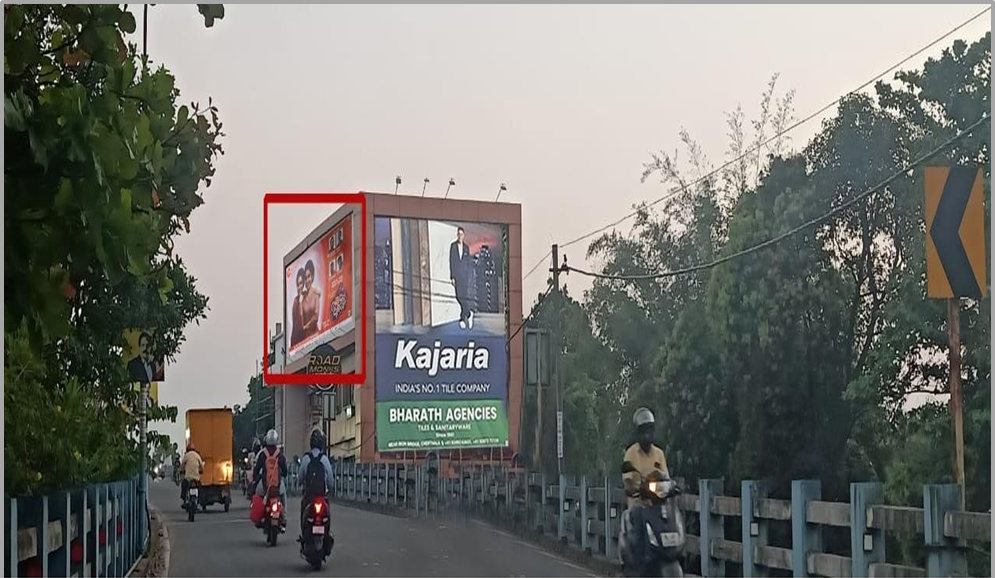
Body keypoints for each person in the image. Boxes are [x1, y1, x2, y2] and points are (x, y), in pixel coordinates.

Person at [619, 408, 671, 575]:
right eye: (643, 431)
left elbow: (666, 477)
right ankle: (636, 566)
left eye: (649, 430)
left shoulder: (659, 454)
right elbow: (627, 481)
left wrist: (672, 487)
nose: (647, 435)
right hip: (638, 506)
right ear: (638, 433)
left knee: (671, 521)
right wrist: (633, 487)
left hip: (657, 506)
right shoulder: (631, 454)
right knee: (635, 521)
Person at [299, 428, 335, 531]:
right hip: (322, 496)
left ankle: (304, 532)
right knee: (327, 513)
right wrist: (330, 489)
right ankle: (327, 532)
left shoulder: (306, 459)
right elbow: (330, 481)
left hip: (309, 497)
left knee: (303, 509)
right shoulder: (324, 459)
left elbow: (300, 478)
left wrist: (300, 484)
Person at [253, 429, 288, 530]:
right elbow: (285, 471)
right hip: (277, 486)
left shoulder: (262, 454)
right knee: (284, 496)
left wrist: (255, 478)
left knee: (257, 494)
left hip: (264, 486)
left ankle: (259, 517)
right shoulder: (280, 455)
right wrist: (283, 475)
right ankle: (284, 518)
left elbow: (257, 469)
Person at [449, 226, 474, 329]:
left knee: (463, 296)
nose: (460, 236)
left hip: (465, 277)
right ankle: (468, 314)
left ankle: (462, 318)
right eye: (458, 234)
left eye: (461, 234)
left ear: (464, 236)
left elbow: (468, 262)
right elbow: (451, 262)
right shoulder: (453, 246)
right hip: (457, 276)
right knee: (458, 297)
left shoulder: (466, 248)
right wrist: (452, 277)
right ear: (457, 235)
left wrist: (468, 275)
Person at [179, 442, 205, 506]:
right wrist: (201, 471)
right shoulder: (197, 455)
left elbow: (182, 465)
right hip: (196, 478)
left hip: (188, 478)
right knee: (200, 488)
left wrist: (182, 471)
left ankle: (184, 500)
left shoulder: (186, 456)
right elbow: (201, 466)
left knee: (184, 486)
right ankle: (200, 500)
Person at [301, 260, 322, 339]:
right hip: (304, 340)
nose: (307, 281)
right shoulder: (302, 298)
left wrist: (306, 327)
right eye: (305, 278)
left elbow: (316, 317)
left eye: (309, 276)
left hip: (315, 336)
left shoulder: (316, 294)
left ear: (312, 276)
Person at [290, 268, 306, 347]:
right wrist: (300, 303)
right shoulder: (296, 301)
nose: (299, 287)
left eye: (301, 283)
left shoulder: (306, 296)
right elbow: (298, 323)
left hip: (307, 339)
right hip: (296, 340)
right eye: (298, 284)